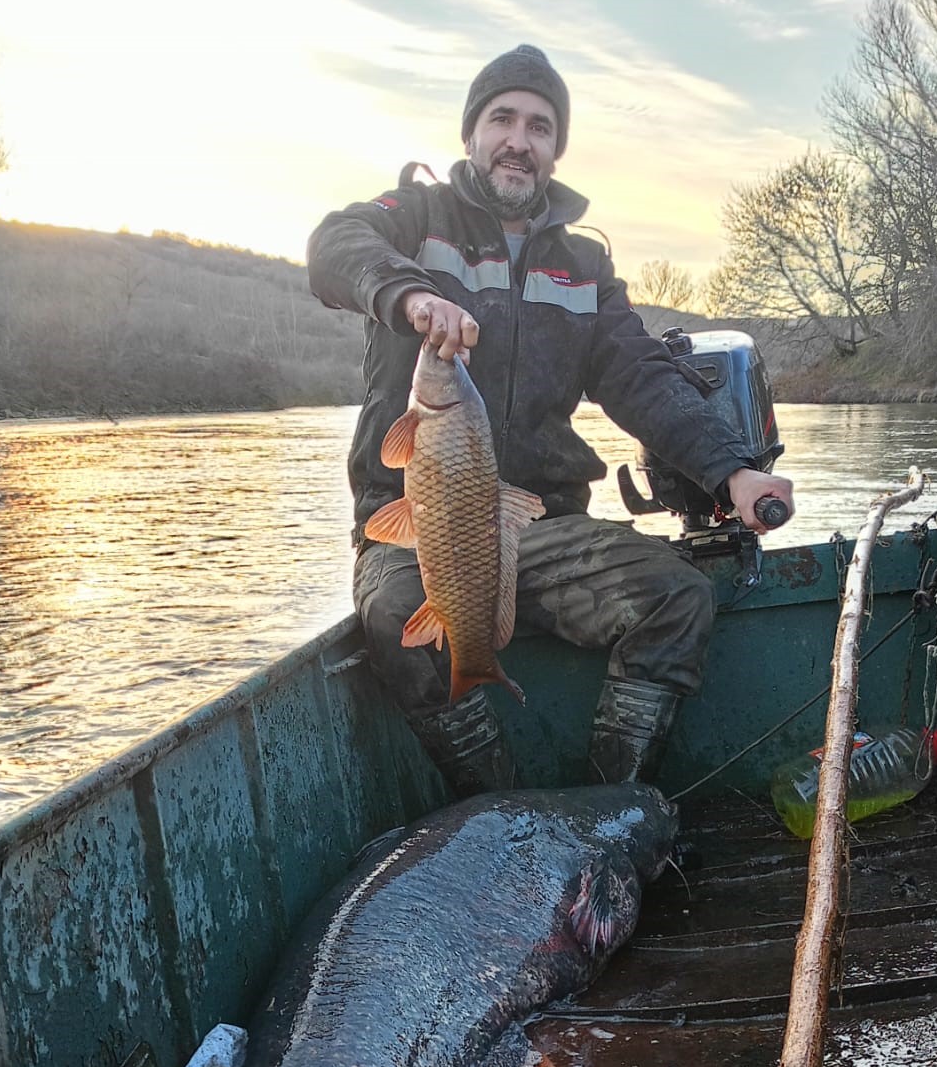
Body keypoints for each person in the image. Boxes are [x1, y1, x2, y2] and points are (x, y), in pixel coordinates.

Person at [307, 43, 795, 794]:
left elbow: (641, 376)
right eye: (502, 118)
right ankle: (499, 812)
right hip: (422, 533)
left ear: (556, 149)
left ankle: (607, 810)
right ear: (471, 134)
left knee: (680, 597)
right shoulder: (414, 219)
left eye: (539, 127)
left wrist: (732, 468)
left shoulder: (583, 265)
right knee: (393, 614)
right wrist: (410, 295)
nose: (518, 139)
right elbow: (333, 245)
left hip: (542, 529)